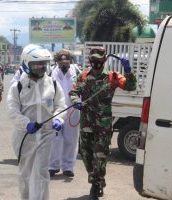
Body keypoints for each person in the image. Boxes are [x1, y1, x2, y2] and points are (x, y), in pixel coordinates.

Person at [70, 47, 136, 200]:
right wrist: (75, 101)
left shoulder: (113, 77)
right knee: (86, 155)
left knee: (99, 155)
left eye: (98, 61)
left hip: (103, 124)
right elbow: (74, 91)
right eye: (93, 60)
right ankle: (97, 178)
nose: (95, 63)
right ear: (89, 61)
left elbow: (130, 86)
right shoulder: (83, 76)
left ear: (104, 60)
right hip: (86, 122)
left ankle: (95, 185)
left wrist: (128, 71)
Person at [7, 44, 67, 200]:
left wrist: (58, 119)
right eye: (36, 64)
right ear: (26, 64)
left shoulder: (52, 83)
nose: (41, 68)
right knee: (25, 172)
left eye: (43, 64)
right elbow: (12, 111)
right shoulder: (18, 86)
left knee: (41, 172)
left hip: (46, 134)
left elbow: (61, 104)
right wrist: (26, 123)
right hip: (24, 136)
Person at [49, 49, 80, 177]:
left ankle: (68, 167)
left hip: (73, 110)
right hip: (56, 110)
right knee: (55, 139)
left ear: (70, 61)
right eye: (61, 62)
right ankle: (53, 166)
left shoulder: (77, 72)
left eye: (66, 62)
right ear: (56, 62)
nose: (64, 65)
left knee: (71, 139)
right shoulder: (51, 73)